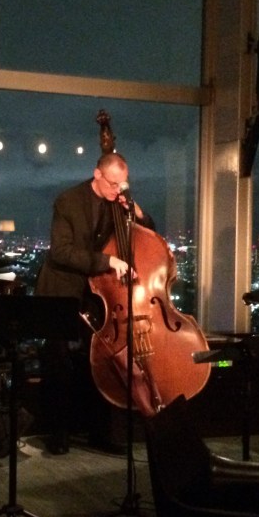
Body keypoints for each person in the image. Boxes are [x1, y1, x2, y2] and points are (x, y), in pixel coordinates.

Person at [35, 151, 155, 454]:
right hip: (62, 288)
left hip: (98, 293)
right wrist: (108, 261)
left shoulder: (119, 203)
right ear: (97, 174)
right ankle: (58, 433)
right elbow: (61, 252)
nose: (117, 190)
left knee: (101, 360)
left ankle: (102, 433)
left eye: (122, 185)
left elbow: (147, 235)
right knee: (59, 361)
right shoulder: (68, 201)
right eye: (113, 184)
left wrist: (138, 214)